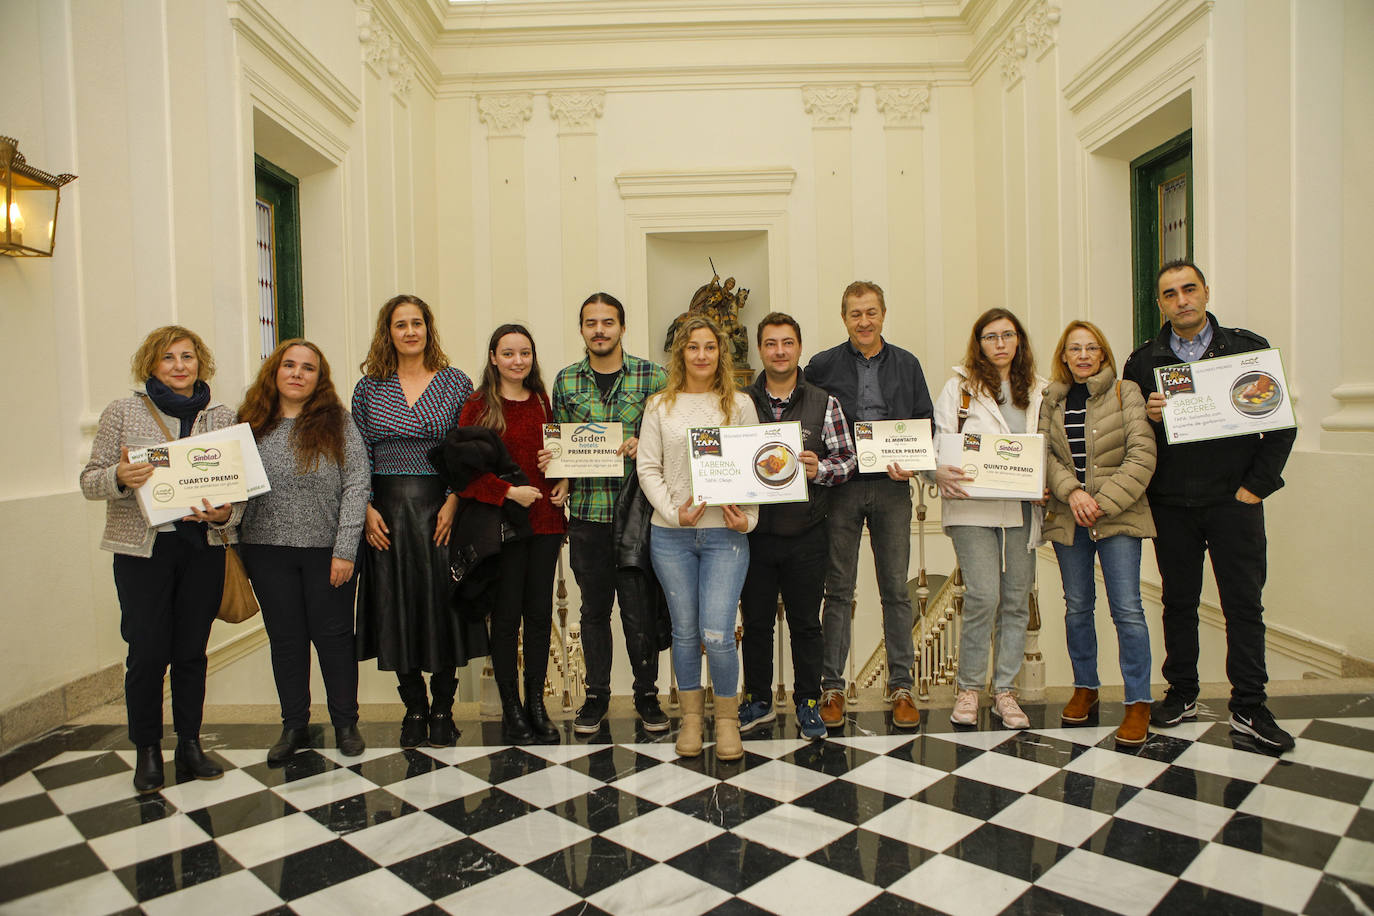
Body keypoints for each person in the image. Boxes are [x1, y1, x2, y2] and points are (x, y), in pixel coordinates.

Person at [1123, 260, 1297, 751]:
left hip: (1233, 503)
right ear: (1159, 303)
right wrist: (1151, 418)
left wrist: (1257, 487)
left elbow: (1280, 424)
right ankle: (1181, 693)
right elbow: (1130, 438)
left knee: (1243, 604)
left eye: (1189, 289)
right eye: (1170, 294)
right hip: (1171, 504)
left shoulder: (1247, 349)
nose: (1182, 300)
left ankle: (1249, 704)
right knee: (1178, 602)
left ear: (1205, 292)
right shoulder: (1142, 362)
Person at [80, 326, 242, 793]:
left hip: (202, 548)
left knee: (192, 651)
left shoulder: (221, 416)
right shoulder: (123, 412)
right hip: (143, 552)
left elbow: (241, 485)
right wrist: (120, 476)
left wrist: (227, 513)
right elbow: (90, 480)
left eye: (187, 356)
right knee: (148, 654)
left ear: (200, 363)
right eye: (168, 357)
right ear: (151, 365)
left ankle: (190, 744)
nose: (179, 365)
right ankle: (147, 750)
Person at [352, 294, 485, 748]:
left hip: (439, 509)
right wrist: (365, 507)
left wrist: (453, 500)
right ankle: (413, 707)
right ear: (387, 332)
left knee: (442, 603)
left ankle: (444, 708)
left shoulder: (455, 383)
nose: (410, 331)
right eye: (400, 324)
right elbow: (359, 455)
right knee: (395, 605)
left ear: (429, 329)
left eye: (417, 323)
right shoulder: (368, 388)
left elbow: (466, 449)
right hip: (385, 512)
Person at [805, 281, 934, 729]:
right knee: (838, 589)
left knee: (896, 590)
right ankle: (832, 688)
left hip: (892, 488)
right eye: (856, 314)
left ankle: (901, 687)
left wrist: (913, 462)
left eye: (871, 312)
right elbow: (806, 418)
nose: (864, 321)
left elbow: (925, 424)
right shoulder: (821, 366)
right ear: (844, 318)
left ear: (884, 314)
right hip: (840, 488)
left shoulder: (907, 364)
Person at [237, 340, 370, 763]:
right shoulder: (249, 424)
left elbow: (356, 486)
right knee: (287, 641)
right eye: (289, 365)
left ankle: (345, 723)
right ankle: (294, 724)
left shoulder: (339, 424)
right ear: (274, 372)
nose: (297, 373)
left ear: (319, 378)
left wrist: (345, 549)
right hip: (265, 550)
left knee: (333, 639)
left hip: (326, 552)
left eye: (307, 368)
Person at [543, 293, 669, 735]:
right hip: (589, 516)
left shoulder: (653, 376)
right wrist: (557, 476)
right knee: (594, 610)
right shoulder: (565, 382)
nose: (600, 330)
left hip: (639, 514)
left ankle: (647, 694)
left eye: (608, 322)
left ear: (622, 327)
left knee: (639, 610)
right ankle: (595, 695)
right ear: (581, 329)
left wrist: (645, 445)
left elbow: (670, 439)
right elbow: (561, 450)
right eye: (591, 323)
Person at [638, 316, 758, 760]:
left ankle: (726, 722)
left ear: (721, 353)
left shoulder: (740, 405)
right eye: (693, 347)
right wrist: (672, 512)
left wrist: (749, 520)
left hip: (725, 536)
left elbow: (756, 468)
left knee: (719, 632)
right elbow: (647, 468)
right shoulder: (659, 407)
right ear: (680, 354)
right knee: (686, 633)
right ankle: (691, 719)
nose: (702, 355)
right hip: (671, 537)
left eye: (710, 347)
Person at [740, 312, 856, 740]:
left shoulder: (825, 402)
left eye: (787, 343)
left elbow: (849, 460)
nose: (779, 351)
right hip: (752, 535)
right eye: (771, 344)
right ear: (760, 350)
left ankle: (809, 701)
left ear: (799, 348)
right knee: (755, 623)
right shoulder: (739, 403)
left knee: (807, 623)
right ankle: (758, 700)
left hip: (807, 532)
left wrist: (819, 469)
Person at [1039, 321, 1156, 744]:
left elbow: (1142, 454)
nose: (1083, 356)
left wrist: (1100, 503)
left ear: (1103, 354)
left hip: (1118, 515)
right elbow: (1044, 454)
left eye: (1091, 348)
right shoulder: (1051, 399)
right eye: (1075, 349)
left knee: (1127, 610)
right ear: (1064, 356)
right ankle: (1085, 687)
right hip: (1069, 516)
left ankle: (1138, 701)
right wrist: (1072, 494)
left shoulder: (1127, 394)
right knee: (1077, 607)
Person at [934, 308, 1048, 729]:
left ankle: (1004, 692)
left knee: (1017, 599)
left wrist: (1048, 482)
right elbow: (940, 443)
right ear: (978, 342)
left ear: (1018, 340)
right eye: (990, 336)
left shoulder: (1040, 390)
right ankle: (968, 689)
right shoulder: (958, 389)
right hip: (972, 507)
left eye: (1008, 335)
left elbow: (1050, 447)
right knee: (983, 595)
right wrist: (936, 470)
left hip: (1023, 508)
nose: (1000, 343)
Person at [456, 324, 567, 745]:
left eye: (525, 353)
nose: (518, 360)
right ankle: (512, 708)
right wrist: (507, 492)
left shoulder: (542, 401)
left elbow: (556, 456)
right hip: (503, 528)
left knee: (539, 616)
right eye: (509, 353)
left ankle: (537, 704)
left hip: (544, 524)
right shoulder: (478, 406)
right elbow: (464, 475)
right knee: (505, 620)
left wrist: (563, 482)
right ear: (493, 358)